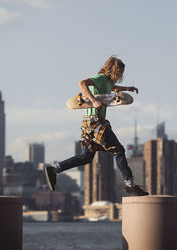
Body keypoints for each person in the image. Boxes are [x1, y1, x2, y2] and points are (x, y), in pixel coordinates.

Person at [45, 56, 148, 196]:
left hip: (88, 124)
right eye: (119, 73)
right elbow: (82, 83)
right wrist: (93, 100)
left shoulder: (107, 82)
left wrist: (127, 88)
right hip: (95, 122)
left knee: (86, 157)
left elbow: (112, 87)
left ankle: (55, 169)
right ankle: (130, 184)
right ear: (112, 69)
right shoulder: (100, 78)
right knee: (118, 150)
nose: (120, 76)